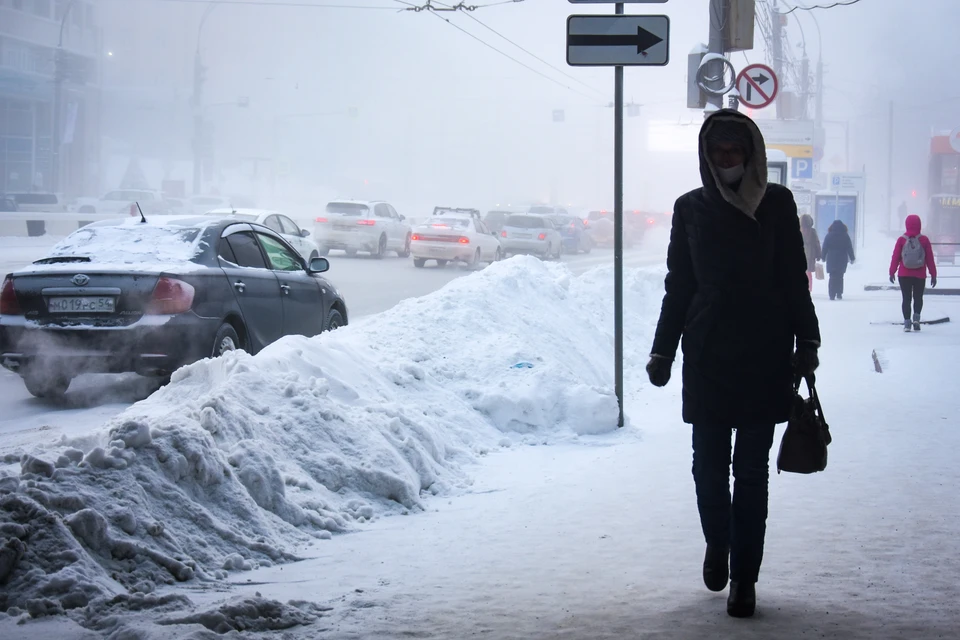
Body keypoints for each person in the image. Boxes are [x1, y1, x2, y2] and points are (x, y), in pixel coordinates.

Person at [645, 109, 821, 619]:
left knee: (751, 472)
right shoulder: (691, 209)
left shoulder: (777, 204)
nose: (727, 161)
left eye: (735, 152)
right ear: (706, 156)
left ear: (751, 155)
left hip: (765, 351)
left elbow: (793, 276)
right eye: (719, 152)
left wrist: (807, 339)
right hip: (708, 353)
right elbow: (680, 285)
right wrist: (663, 350)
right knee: (706, 467)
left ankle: (745, 577)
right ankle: (718, 541)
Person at [889, 214, 937, 331]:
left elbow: (895, 257)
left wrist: (892, 272)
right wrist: (933, 274)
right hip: (919, 275)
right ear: (919, 224)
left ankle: (906, 323)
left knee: (906, 298)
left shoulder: (901, 240)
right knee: (918, 297)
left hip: (904, 274)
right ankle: (916, 318)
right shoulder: (924, 240)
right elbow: (930, 259)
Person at [820, 220, 856, 300]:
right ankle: (839, 293)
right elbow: (849, 247)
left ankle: (831, 294)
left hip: (831, 259)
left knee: (832, 276)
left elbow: (825, 247)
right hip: (842, 259)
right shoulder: (845, 235)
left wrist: (823, 257)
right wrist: (852, 258)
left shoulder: (829, 235)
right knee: (840, 276)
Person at [799, 214, 821, 291]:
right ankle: (809, 288)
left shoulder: (797, 230)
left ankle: (800, 287)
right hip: (810, 255)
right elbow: (817, 243)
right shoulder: (812, 232)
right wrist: (818, 255)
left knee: (799, 272)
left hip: (799, 255)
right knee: (808, 273)